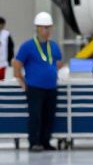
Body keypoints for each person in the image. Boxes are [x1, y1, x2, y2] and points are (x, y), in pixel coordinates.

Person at [12, 12, 66, 151]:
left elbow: (58, 63)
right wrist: (22, 82)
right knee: (35, 116)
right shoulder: (27, 46)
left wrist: (52, 71)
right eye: (44, 28)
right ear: (37, 28)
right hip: (35, 88)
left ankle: (45, 141)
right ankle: (34, 142)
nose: (46, 31)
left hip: (51, 87)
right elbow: (17, 64)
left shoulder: (53, 46)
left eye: (49, 28)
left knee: (49, 116)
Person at [0, 16, 12, 81]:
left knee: (2, 80)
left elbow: (10, 47)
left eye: (2, 24)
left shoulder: (6, 34)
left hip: (3, 62)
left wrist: (9, 59)